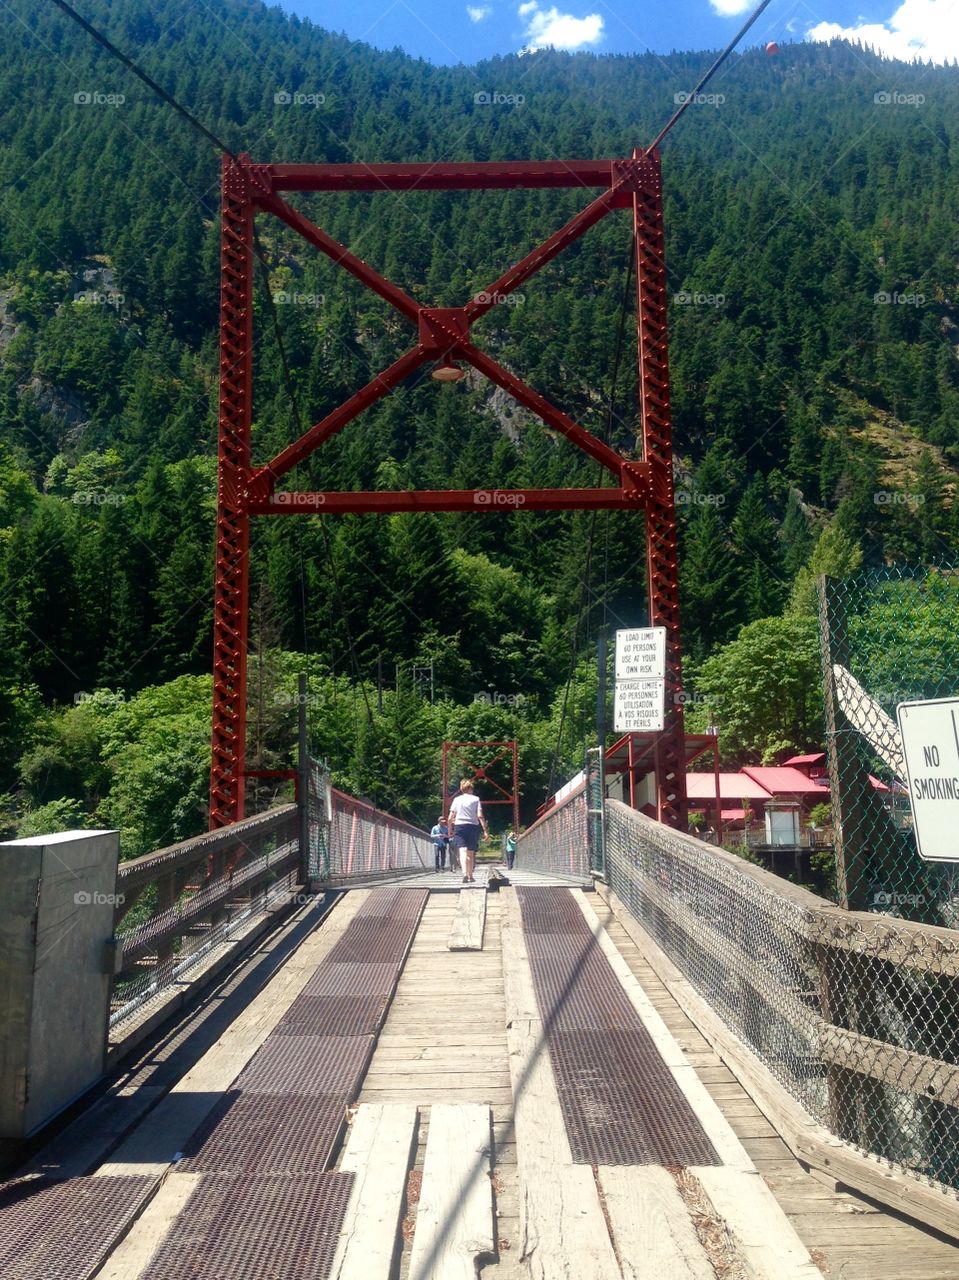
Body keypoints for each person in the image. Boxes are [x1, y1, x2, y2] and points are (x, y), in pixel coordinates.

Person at [447, 779, 488, 884]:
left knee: (462, 851)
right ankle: (471, 876)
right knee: (470, 852)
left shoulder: (456, 799)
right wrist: (485, 831)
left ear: (462, 789)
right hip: (473, 827)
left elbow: (450, 817)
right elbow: (479, 816)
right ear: (470, 788)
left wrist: (450, 830)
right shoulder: (476, 799)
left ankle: (465, 873)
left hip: (459, 826)